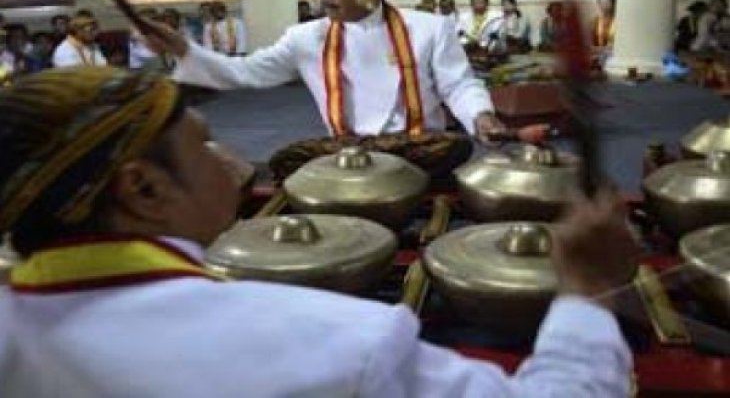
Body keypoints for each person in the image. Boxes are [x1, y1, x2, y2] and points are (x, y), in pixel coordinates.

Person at [0, 66, 637, 397]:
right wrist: (586, 293)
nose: (228, 158)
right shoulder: (335, 343)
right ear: (142, 188)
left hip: (404, 154)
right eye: (203, 143)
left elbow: (459, 82)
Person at [144, 0, 504, 142]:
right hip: (348, 149)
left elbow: (459, 84)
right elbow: (246, 72)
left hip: (423, 145)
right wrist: (181, 48)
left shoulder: (430, 27)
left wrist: (481, 116)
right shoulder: (306, 37)